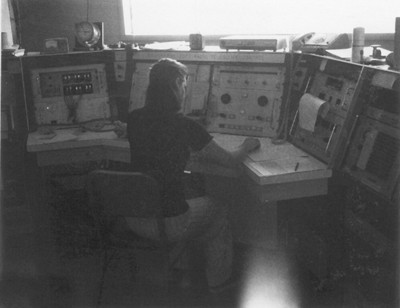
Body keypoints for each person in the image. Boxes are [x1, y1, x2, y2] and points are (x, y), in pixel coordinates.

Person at [126, 58, 260, 293]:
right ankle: (219, 281)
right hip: (168, 224)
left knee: (190, 188)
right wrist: (247, 146)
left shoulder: (134, 119)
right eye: (184, 84)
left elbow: (156, 152)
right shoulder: (185, 126)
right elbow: (229, 160)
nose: (185, 90)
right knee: (218, 209)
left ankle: (183, 266)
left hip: (133, 217)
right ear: (178, 83)